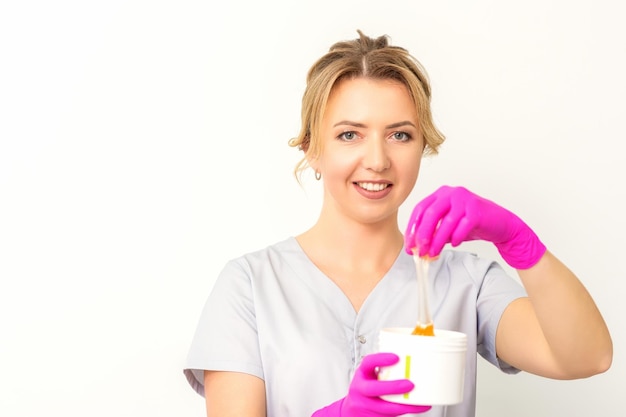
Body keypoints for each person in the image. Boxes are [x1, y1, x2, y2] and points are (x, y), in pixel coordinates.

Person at [183, 30, 613, 417]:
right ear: (313, 149)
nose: (377, 160)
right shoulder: (251, 286)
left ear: (422, 145)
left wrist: (519, 242)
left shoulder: (467, 282)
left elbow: (585, 357)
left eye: (400, 135)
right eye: (350, 134)